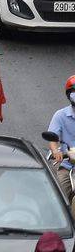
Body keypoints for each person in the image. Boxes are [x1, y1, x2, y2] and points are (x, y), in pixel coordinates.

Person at [46, 76, 75, 207]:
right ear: (69, 94)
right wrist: (55, 151)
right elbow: (52, 137)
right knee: (57, 199)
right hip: (67, 166)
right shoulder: (60, 115)